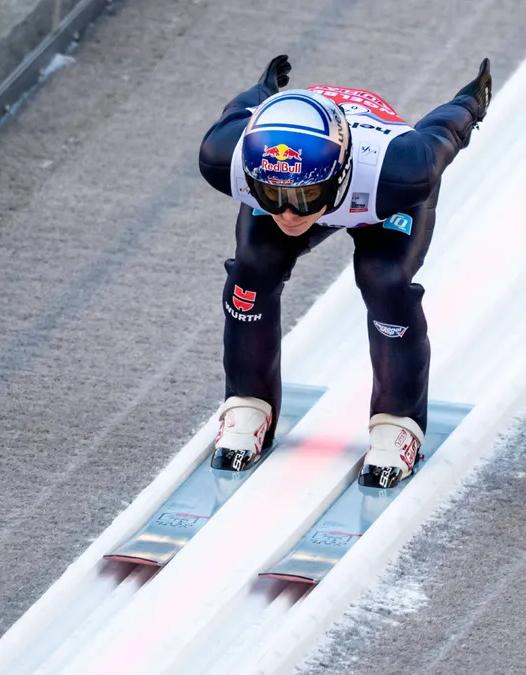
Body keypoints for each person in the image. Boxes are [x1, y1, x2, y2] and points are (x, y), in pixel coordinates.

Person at [196, 54, 492, 488]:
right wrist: (265, 89)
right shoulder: (226, 155)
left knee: (385, 279)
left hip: (376, 200)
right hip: (328, 170)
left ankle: (399, 421)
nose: (288, 212)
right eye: (269, 192)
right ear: (249, 173)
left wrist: (471, 102)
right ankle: (247, 402)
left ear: (341, 174)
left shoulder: (401, 169)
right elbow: (242, 110)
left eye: (305, 195)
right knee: (252, 270)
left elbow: (441, 132)